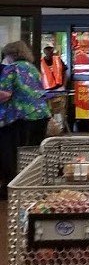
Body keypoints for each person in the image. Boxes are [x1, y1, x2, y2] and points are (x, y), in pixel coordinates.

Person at [0, 41, 51, 199]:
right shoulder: (32, 68)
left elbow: (5, 94)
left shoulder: (11, 68)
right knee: (32, 153)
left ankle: (10, 190)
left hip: (20, 117)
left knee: (11, 153)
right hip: (40, 116)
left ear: (11, 54)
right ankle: (31, 186)